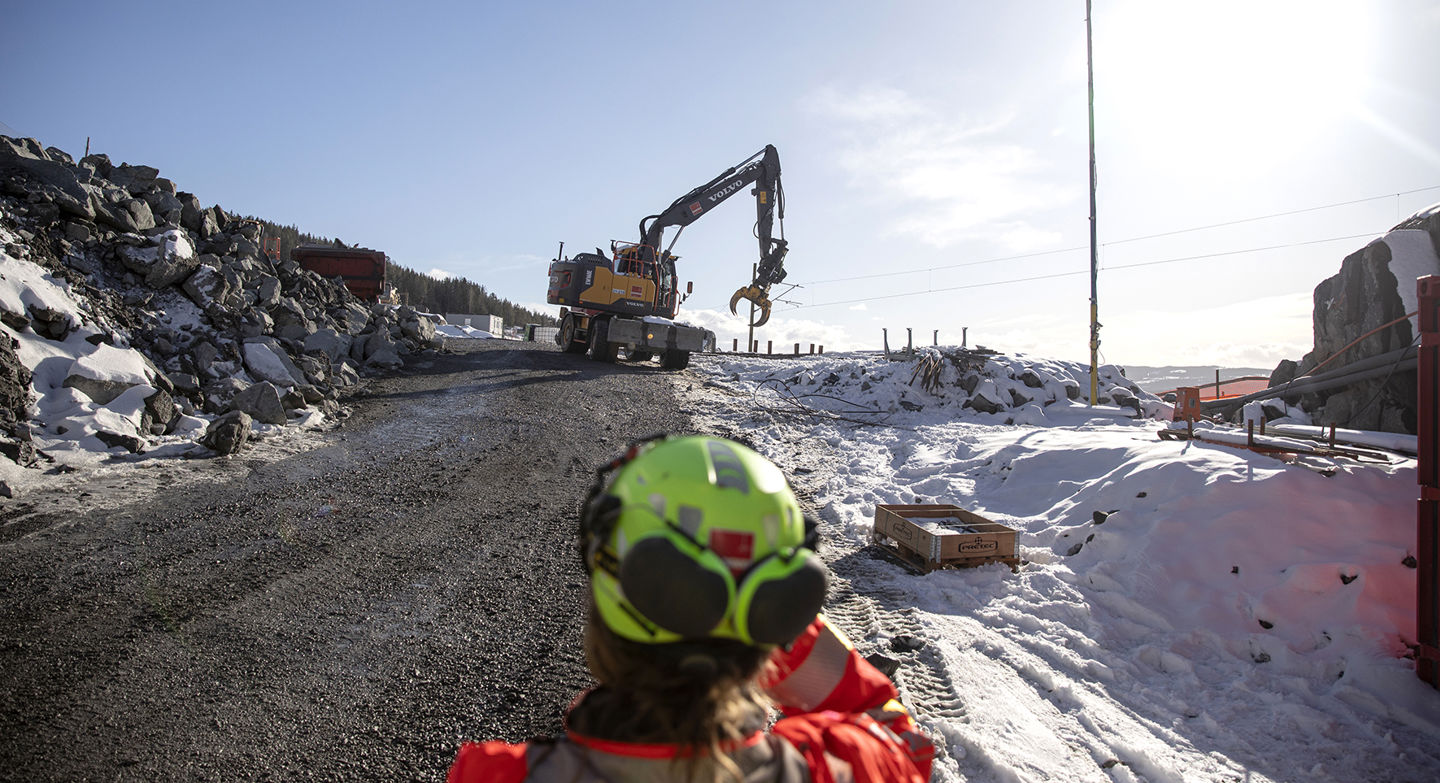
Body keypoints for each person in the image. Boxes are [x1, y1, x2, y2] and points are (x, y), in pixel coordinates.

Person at [449, 434, 934, 783]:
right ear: (780, 605)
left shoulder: (496, 774)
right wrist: (764, 603)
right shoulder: (841, 766)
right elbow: (900, 738)